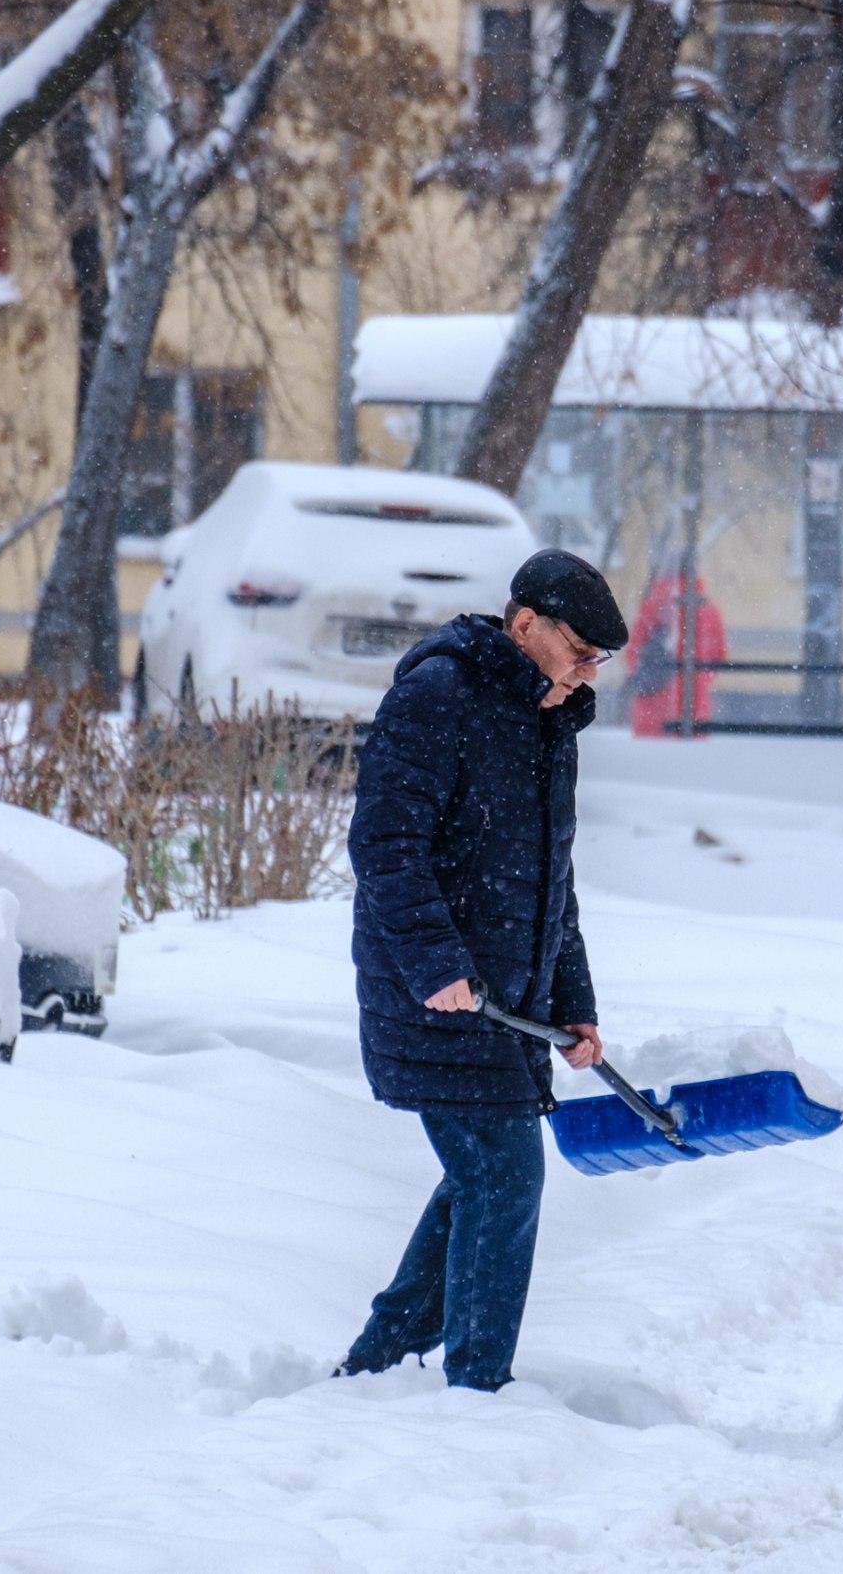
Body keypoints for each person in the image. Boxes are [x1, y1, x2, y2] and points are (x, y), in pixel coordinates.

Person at [336, 548, 627, 1390]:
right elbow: (385, 845)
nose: (587, 671)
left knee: (481, 1175)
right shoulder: (439, 696)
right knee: (503, 1176)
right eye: (579, 651)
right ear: (524, 624)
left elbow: (550, 880)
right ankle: (476, 1392)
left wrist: (573, 1001)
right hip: (437, 996)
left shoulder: (548, 717)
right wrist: (437, 961)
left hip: (510, 1003)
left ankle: (378, 1364)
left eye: (598, 660)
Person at [625, 568, 725, 738]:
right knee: (691, 760)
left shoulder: (653, 604)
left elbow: (633, 651)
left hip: (652, 704)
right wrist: (697, 679)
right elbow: (718, 656)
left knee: (651, 759)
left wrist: (652, 674)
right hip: (694, 703)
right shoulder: (707, 609)